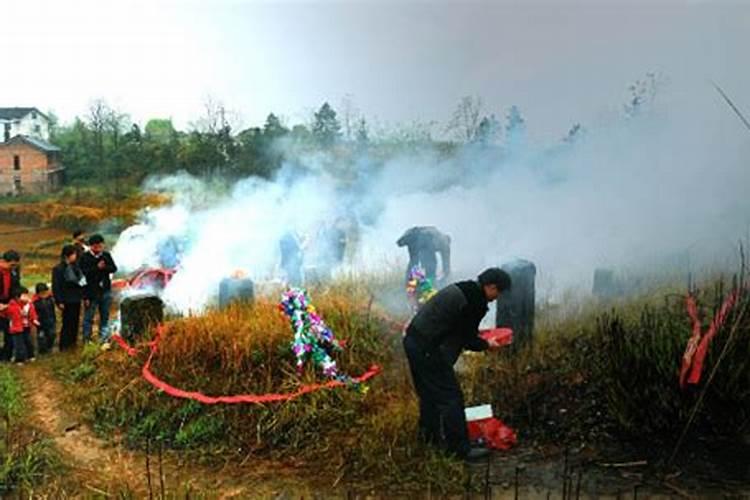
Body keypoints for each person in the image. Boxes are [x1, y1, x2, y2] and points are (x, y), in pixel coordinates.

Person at [402, 268, 512, 461]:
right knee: (451, 398)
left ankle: (429, 440)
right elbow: (468, 338)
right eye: (498, 292)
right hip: (428, 348)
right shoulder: (475, 301)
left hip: (413, 341)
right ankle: (460, 450)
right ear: (491, 287)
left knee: (429, 394)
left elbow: (458, 327)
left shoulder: (465, 288)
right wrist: (488, 344)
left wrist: (478, 338)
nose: (496, 298)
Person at [79, 234, 117, 346]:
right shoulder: (85, 257)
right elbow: (84, 274)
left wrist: (104, 268)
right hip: (91, 292)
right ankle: (87, 339)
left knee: (105, 315)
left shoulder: (106, 255)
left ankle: (103, 338)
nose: (99, 249)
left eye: (101, 246)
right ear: (91, 246)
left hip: (105, 290)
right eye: (96, 247)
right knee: (89, 317)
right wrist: (97, 268)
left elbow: (113, 268)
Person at [52, 245, 86, 351]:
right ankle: (64, 344)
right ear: (68, 255)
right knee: (67, 322)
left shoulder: (76, 267)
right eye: (74, 254)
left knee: (75, 321)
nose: (75, 256)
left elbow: (81, 281)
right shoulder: (59, 269)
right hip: (66, 299)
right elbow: (56, 286)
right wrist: (59, 300)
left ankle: (72, 342)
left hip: (75, 298)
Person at [5, 287, 38, 364]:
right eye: (25, 295)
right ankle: (19, 359)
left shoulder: (29, 305)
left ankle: (30, 355)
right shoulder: (12, 306)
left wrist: (34, 319)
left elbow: (32, 313)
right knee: (19, 344)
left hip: (26, 326)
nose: (27, 297)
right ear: (17, 297)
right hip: (16, 328)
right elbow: (5, 313)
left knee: (28, 341)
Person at [0, 250, 21, 362]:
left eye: (15, 265)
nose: (13, 267)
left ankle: (5, 357)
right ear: (3, 261)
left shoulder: (14, 271)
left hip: (8, 305)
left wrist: (18, 297)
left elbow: (16, 286)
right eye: (11, 265)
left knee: (9, 331)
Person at [33, 283, 57, 355]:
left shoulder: (50, 300)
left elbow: (52, 310)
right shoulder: (35, 302)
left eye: (45, 292)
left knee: (52, 334)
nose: (44, 295)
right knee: (41, 337)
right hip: (41, 322)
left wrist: (54, 319)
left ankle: (49, 347)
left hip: (50, 320)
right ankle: (42, 350)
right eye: (42, 293)